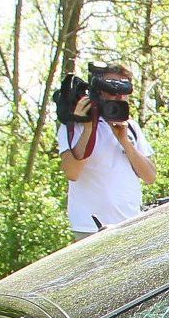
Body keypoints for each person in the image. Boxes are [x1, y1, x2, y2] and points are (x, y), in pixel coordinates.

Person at [58, 63, 156, 240]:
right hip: (90, 227)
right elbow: (72, 172)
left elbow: (150, 177)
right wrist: (89, 128)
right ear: (99, 91)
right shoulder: (73, 126)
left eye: (123, 90)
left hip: (131, 221)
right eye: (111, 89)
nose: (118, 95)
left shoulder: (131, 127)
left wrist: (124, 140)